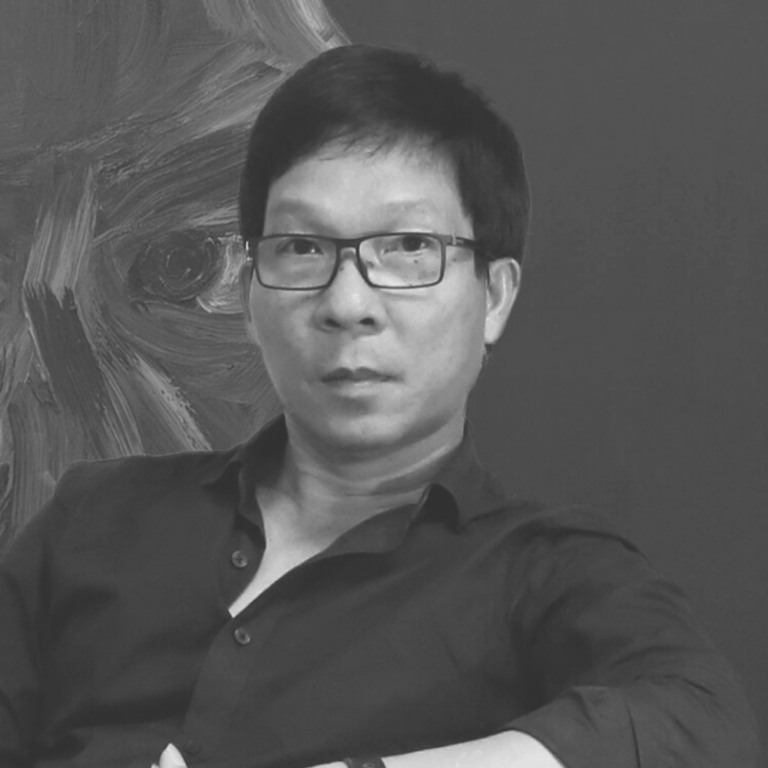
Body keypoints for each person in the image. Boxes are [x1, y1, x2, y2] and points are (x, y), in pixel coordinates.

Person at [0, 44, 761, 768]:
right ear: (252, 293)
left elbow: (699, 724)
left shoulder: (543, 571)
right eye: (303, 248)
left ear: (495, 298)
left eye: (406, 249)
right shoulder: (92, 519)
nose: (348, 304)